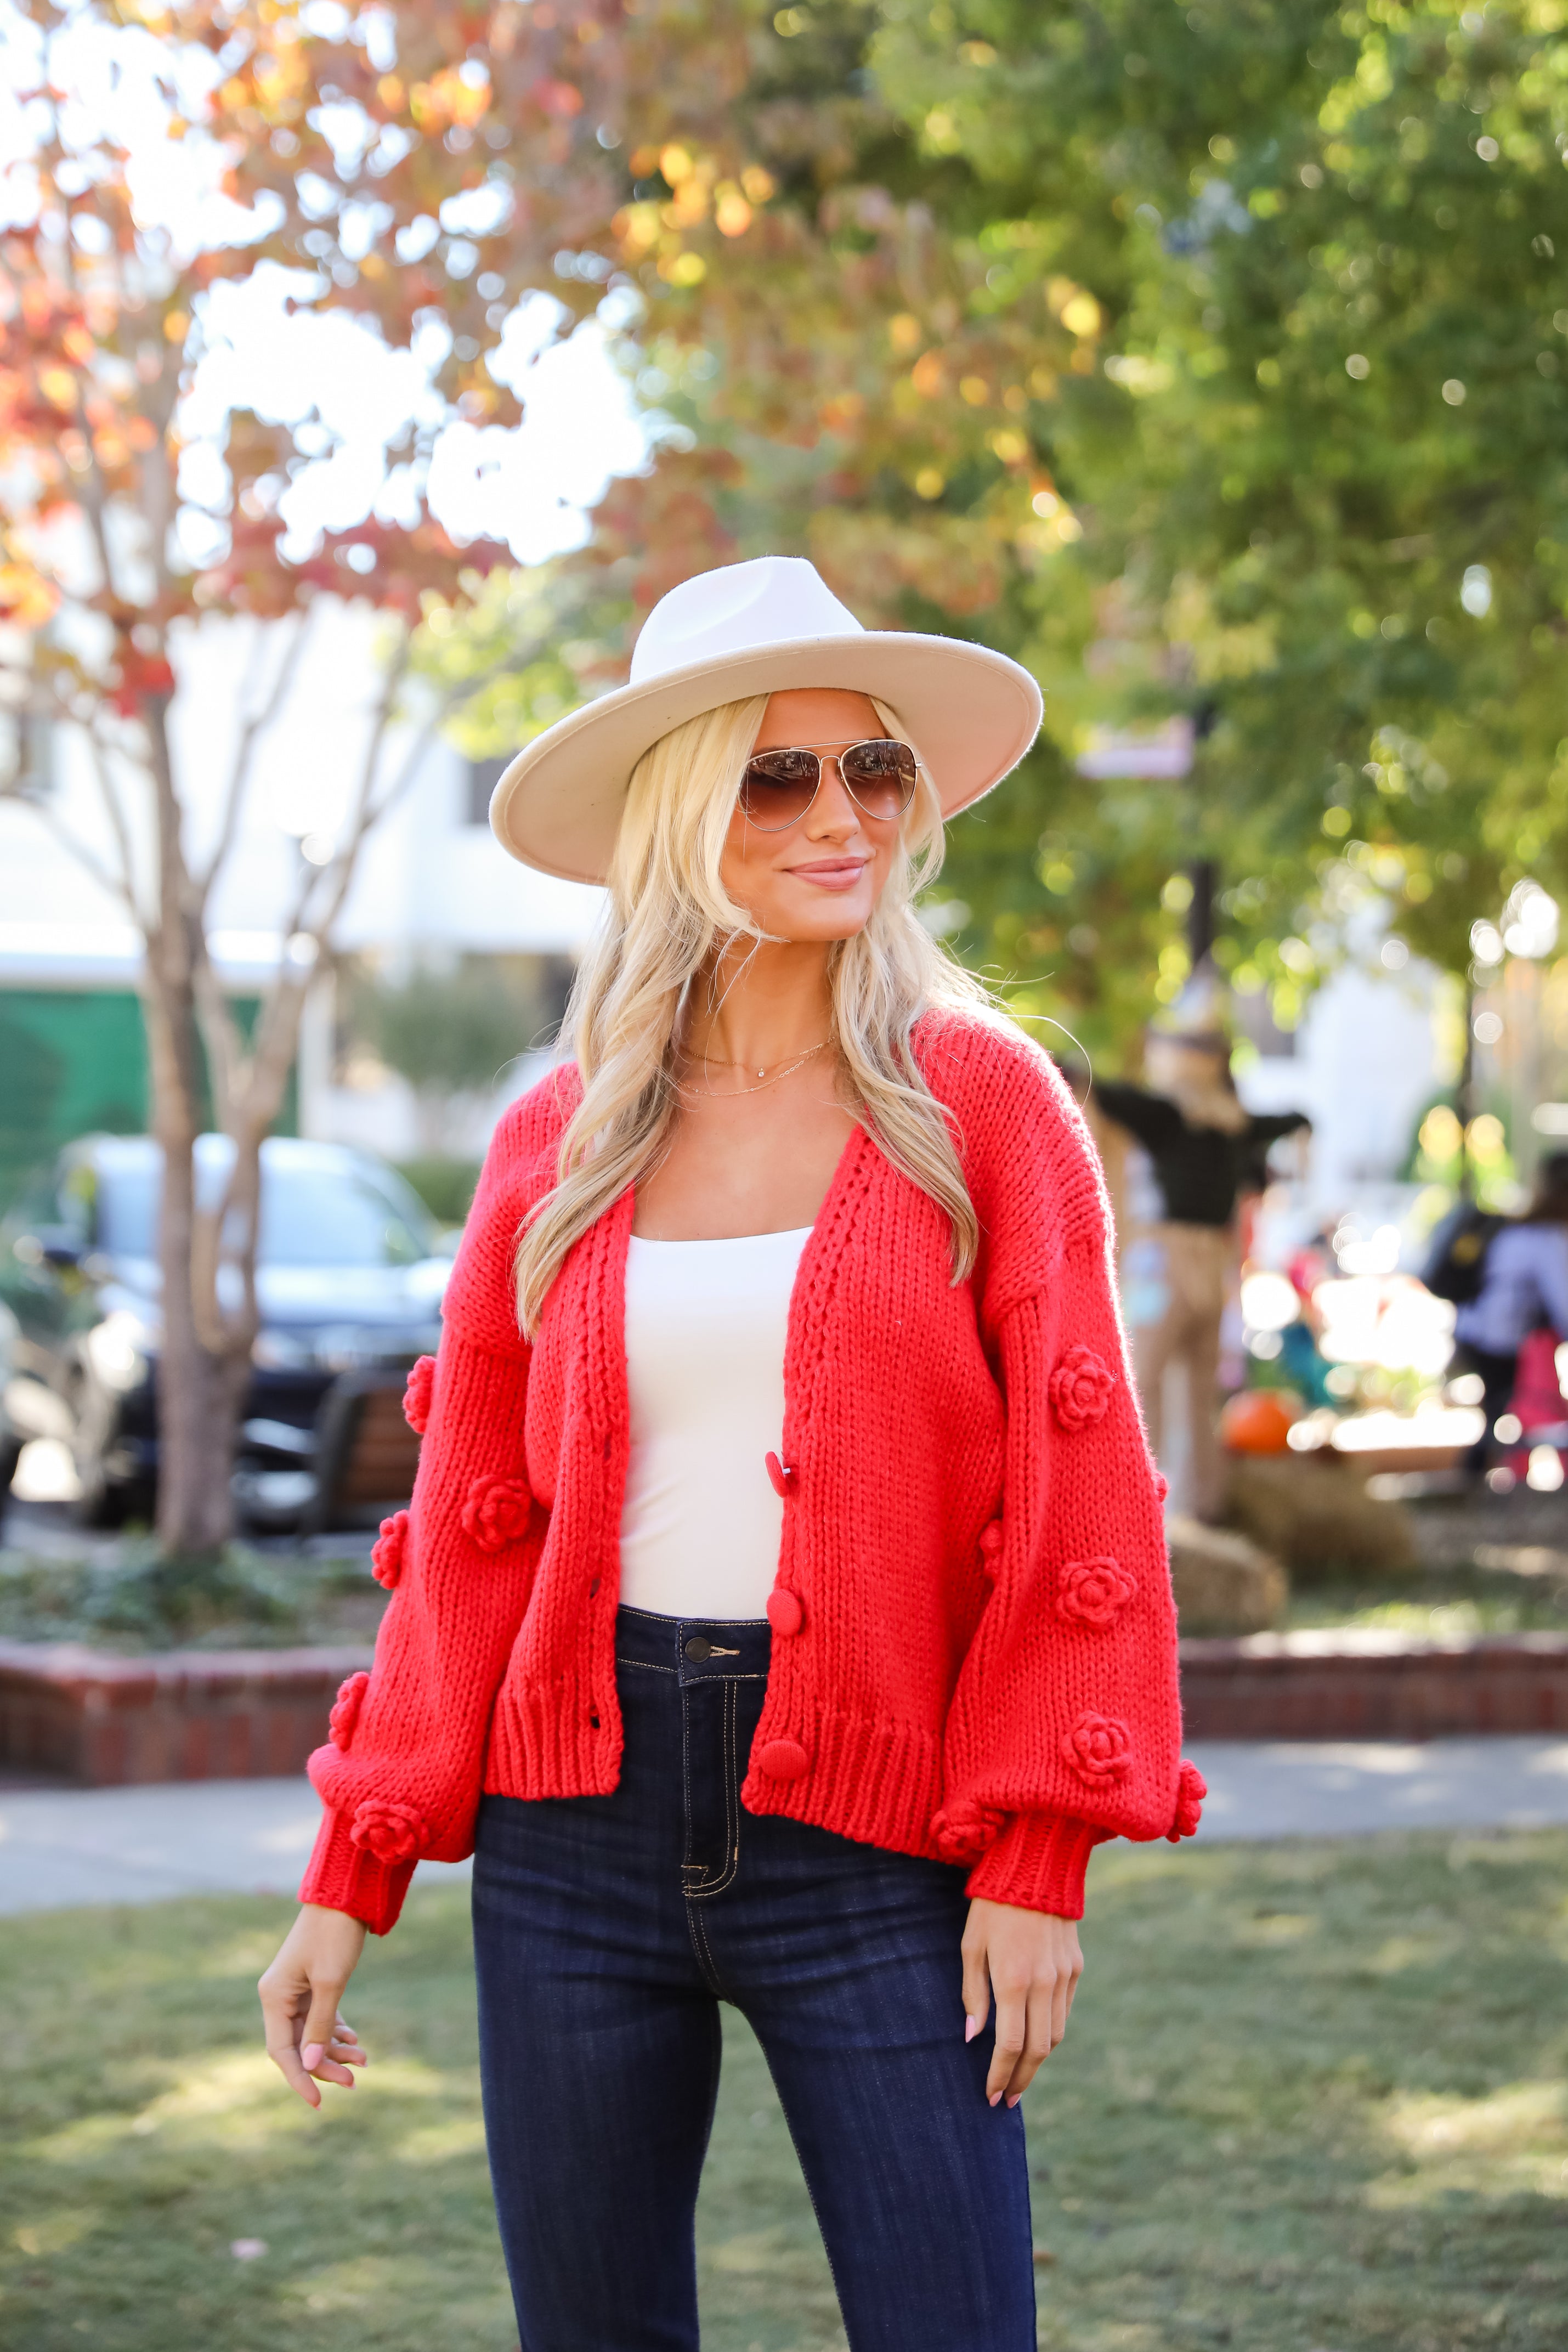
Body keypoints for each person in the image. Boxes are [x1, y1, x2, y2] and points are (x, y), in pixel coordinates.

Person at [257, 556, 1199, 2352]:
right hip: (569, 1834)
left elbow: (1080, 1499)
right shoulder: (564, 1127)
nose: (839, 811)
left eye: (872, 768)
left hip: (875, 1832)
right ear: (685, 805)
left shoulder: (980, 1101)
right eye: (779, 773)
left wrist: (1032, 1858)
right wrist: (348, 1864)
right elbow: (469, 1530)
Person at [1092, 1017, 1309, 1520]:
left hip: (1174, 1264)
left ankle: (1155, 1503)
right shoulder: (1225, 1122)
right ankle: (1182, 1503)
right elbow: (1290, 1119)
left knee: (1147, 1378)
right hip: (1202, 1266)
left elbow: (1109, 1094)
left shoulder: (1176, 1117)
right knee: (1182, 1386)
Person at [1452, 1151, 1568, 1478]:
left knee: (1499, 1413)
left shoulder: (1521, 1230)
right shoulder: (1547, 1237)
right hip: (1498, 1337)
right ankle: (1474, 1480)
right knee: (1503, 1413)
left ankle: (1477, 1480)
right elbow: (1563, 1303)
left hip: (1477, 1328)